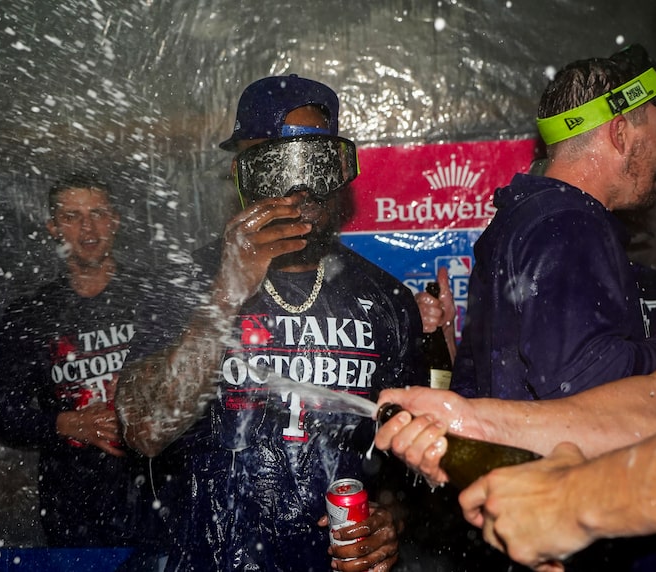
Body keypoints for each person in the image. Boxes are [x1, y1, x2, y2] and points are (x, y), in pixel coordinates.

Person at [375, 0, 656, 570]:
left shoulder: (524, 217)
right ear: (621, 132)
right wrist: (476, 422)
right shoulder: (576, 220)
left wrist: (542, 473)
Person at [115, 74, 426, 572]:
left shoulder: (386, 299)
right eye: (279, 165)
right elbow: (145, 429)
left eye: (316, 163)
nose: (300, 188)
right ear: (244, 173)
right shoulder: (183, 284)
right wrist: (225, 294)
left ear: (339, 172)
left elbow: (414, 458)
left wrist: (393, 518)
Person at [452, 43, 656, 402]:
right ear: (619, 134)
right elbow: (586, 379)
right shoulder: (570, 224)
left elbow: (472, 382)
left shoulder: (521, 221)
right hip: (565, 457)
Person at [0, 172, 165, 555]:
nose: (88, 227)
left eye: (98, 212)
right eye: (71, 216)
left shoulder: (153, 298)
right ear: (53, 228)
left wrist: (145, 409)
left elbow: (195, 387)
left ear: (115, 220)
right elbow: (2, 417)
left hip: (157, 500)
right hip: (75, 512)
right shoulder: (29, 316)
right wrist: (71, 423)